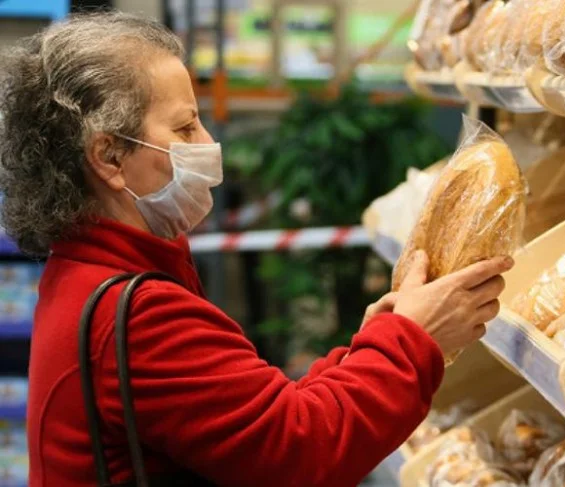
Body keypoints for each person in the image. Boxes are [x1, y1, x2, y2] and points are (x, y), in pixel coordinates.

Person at [0, 12, 512, 487]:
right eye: (184, 127)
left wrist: (377, 341)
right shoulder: (138, 315)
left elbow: (264, 416)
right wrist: (411, 342)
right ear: (109, 156)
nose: (207, 141)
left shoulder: (87, 271)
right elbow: (302, 449)